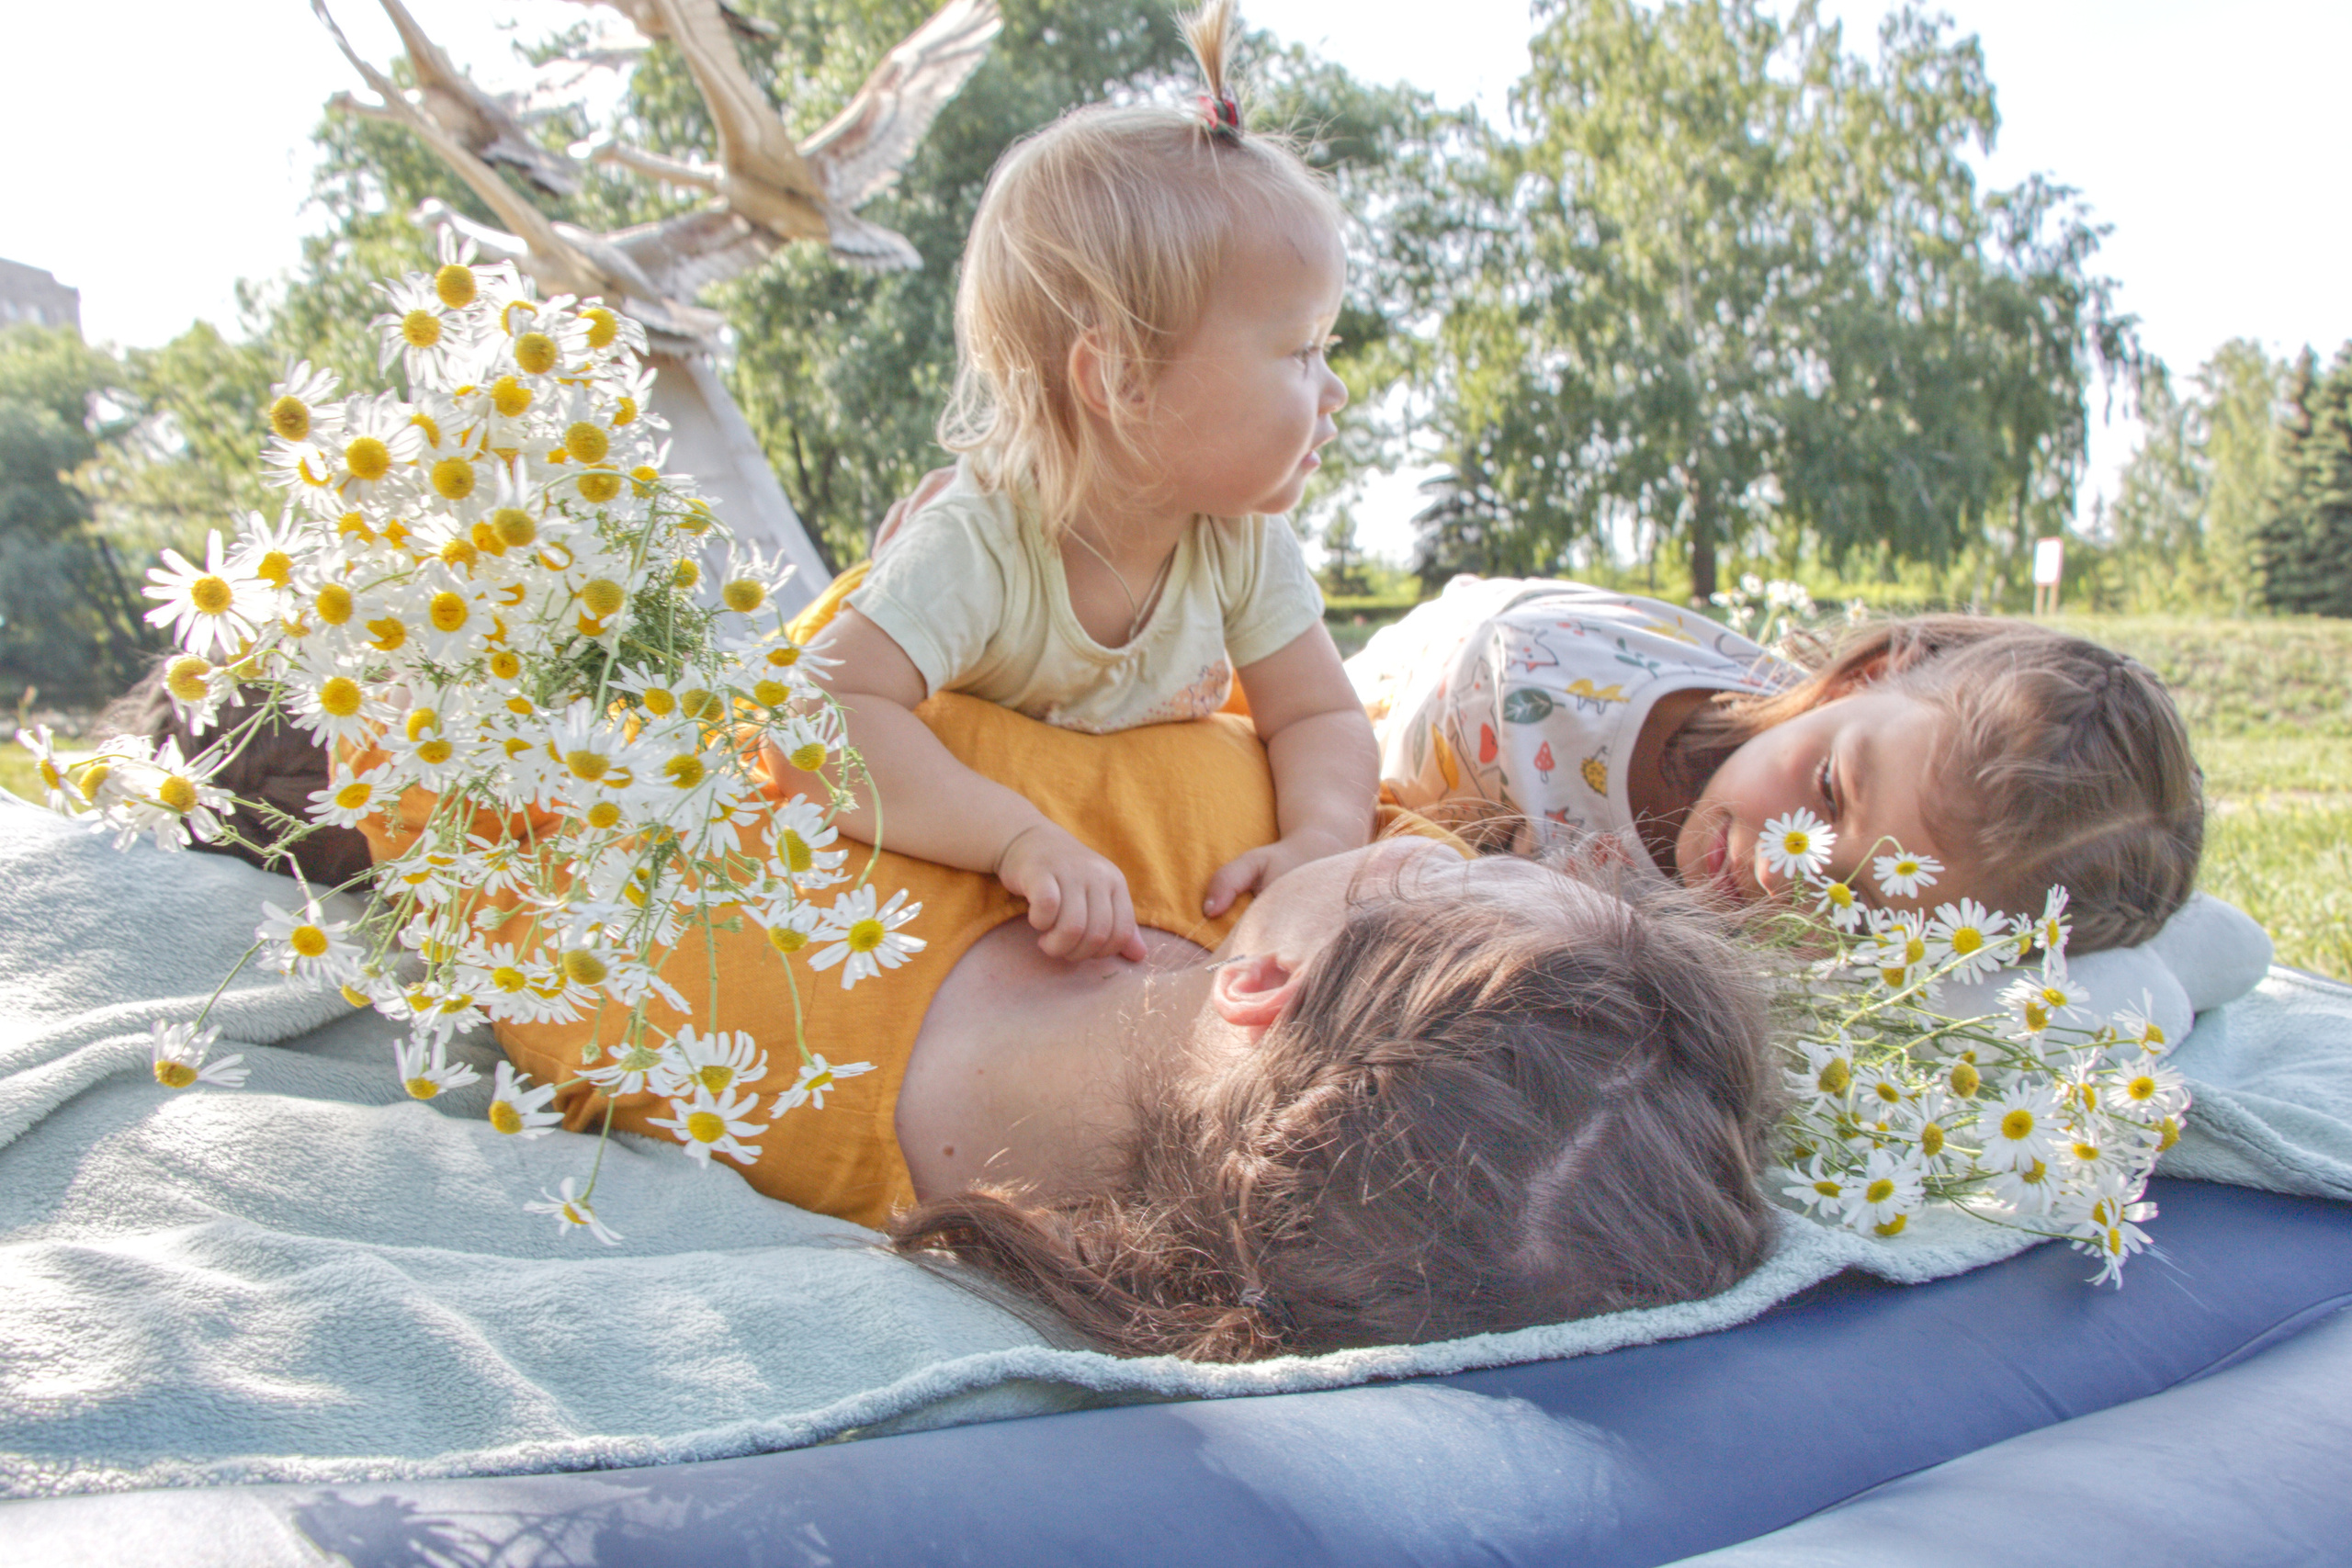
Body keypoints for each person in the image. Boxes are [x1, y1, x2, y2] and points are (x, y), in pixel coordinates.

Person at [458, 692, 1782, 1362]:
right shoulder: (1260, 853)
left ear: (1263, 987)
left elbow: (470, 805)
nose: (1424, 835)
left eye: (1430, 868)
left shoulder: (675, 1002)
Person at [783, 0, 1379, 966]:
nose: (1336, 388)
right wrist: (1017, 835)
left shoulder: (1236, 536)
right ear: (1123, 382)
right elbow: (816, 719)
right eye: (1302, 350)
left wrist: (1319, 843)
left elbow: (1318, 713)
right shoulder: (982, 544)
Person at [1349, 578, 2206, 953]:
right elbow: (1356, 827)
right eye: (1830, 791)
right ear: (1873, 675)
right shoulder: (1524, 702)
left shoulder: (1880, 762)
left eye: (1862, 904)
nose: (1785, 863)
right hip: (1390, 712)